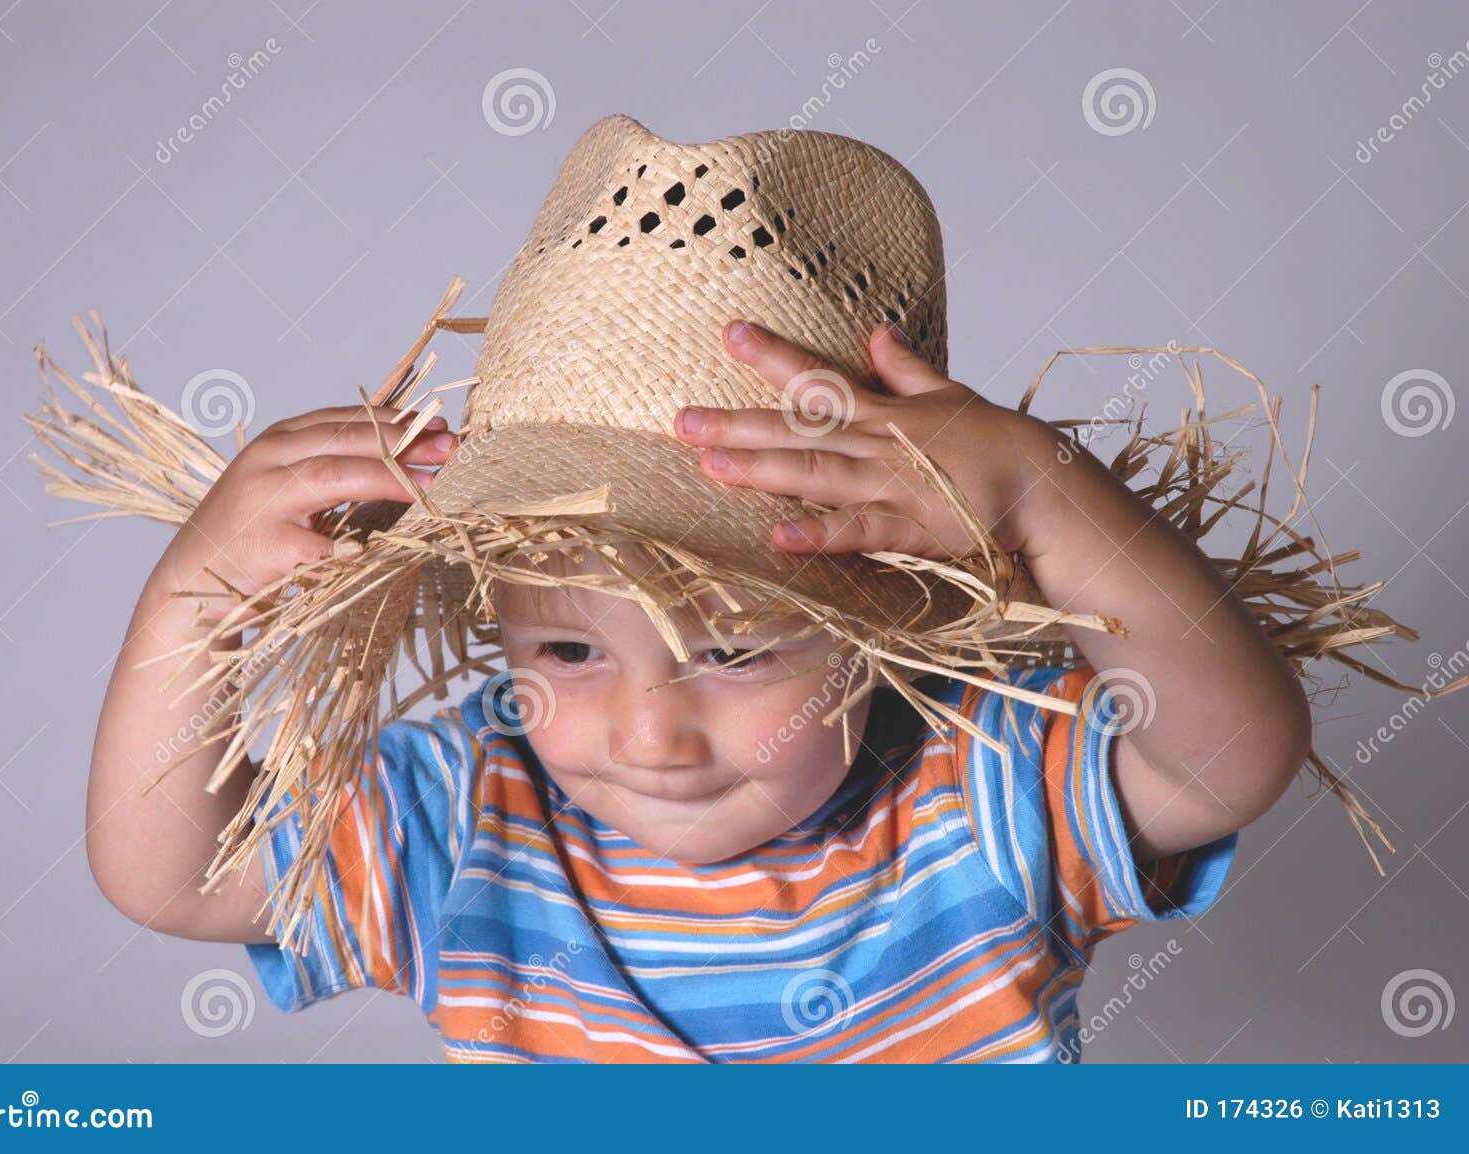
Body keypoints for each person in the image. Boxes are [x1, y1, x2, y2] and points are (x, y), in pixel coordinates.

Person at [69, 115, 1343, 1062]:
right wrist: (201, 592)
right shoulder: (465, 815)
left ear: (889, 618)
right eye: (566, 652)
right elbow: (171, 876)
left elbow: (1230, 753)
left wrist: (1042, 491)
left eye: (735, 653)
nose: (648, 731)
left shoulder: (985, 789)